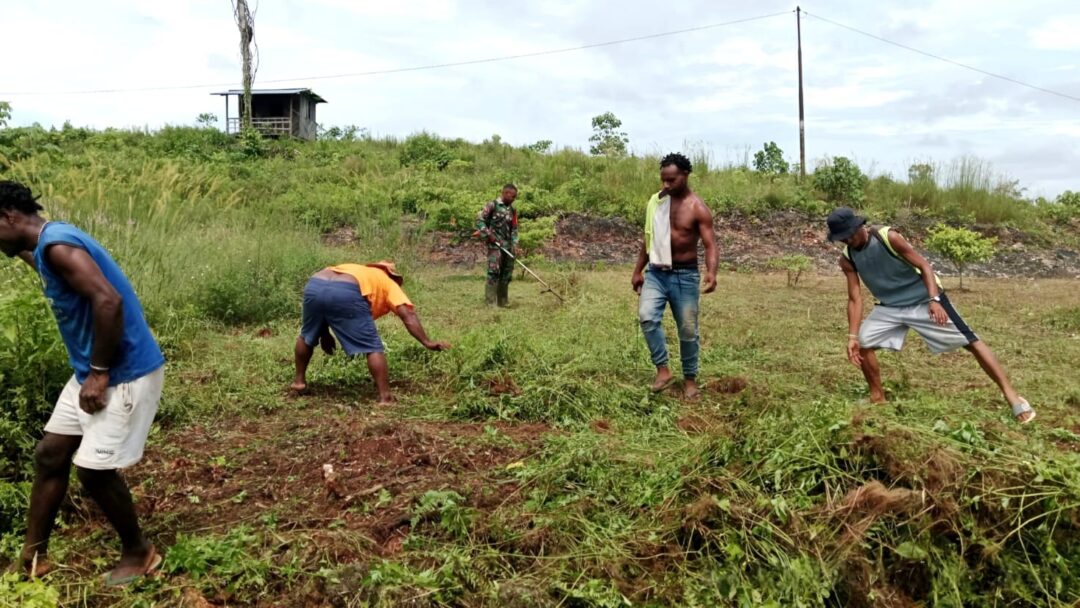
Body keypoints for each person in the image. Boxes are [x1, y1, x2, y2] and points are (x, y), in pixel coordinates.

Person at [0, 180, 166, 584]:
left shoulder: (58, 245)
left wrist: (98, 372)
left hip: (120, 371)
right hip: (90, 372)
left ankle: (139, 552)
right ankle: (33, 556)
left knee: (93, 471)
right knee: (50, 455)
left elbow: (108, 301)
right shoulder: (47, 245)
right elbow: (39, 260)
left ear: (7, 217)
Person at [828, 207, 1035, 423]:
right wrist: (851, 336)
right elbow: (855, 298)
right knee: (863, 342)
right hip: (889, 306)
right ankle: (877, 397)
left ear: (859, 226)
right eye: (842, 238)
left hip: (923, 299)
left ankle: (1012, 396)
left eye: (849, 234)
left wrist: (934, 300)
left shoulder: (887, 237)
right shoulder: (847, 259)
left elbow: (924, 266)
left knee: (971, 342)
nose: (847, 240)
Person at [290, 261, 450, 403]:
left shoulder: (357, 270)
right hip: (347, 290)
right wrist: (427, 342)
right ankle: (385, 397)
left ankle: (299, 382)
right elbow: (408, 314)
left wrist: (322, 332)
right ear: (392, 276)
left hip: (316, 282)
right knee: (373, 347)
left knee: (307, 335)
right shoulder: (388, 282)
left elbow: (326, 297)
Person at [630, 153, 718, 399]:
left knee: (688, 331)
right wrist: (638, 270)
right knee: (647, 317)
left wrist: (712, 272)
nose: (666, 185)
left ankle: (690, 380)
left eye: (671, 180)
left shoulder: (697, 208)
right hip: (656, 273)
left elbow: (710, 245)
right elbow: (648, 239)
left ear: (686, 175)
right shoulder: (657, 202)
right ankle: (663, 370)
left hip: (685, 276)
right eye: (663, 180)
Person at [475, 184, 519, 307]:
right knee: (493, 272)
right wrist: (489, 234)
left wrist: (515, 243)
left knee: (506, 274)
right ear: (505, 193)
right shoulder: (492, 205)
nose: (514, 199)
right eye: (512, 196)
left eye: (515, 197)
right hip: (495, 246)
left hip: (508, 246)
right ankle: (490, 303)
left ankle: (503, 301)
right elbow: (480, 221)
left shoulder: (512, 210)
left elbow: (514, 228)